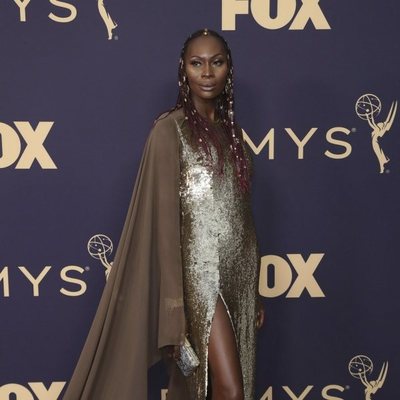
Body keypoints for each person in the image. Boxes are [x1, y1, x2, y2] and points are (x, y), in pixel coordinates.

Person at [63, 28, 264, 400]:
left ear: (228, 70)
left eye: (216, 63)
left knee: (222, 388)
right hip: (198, 279)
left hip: (240, 273)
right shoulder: (169, 130)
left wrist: (253, 292)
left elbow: (241, 215)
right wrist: (174, 306)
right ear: (183, 70)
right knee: (230, 389)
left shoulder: (234, 135)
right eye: (196, 63)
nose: (207, 72)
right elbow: (163, 224)